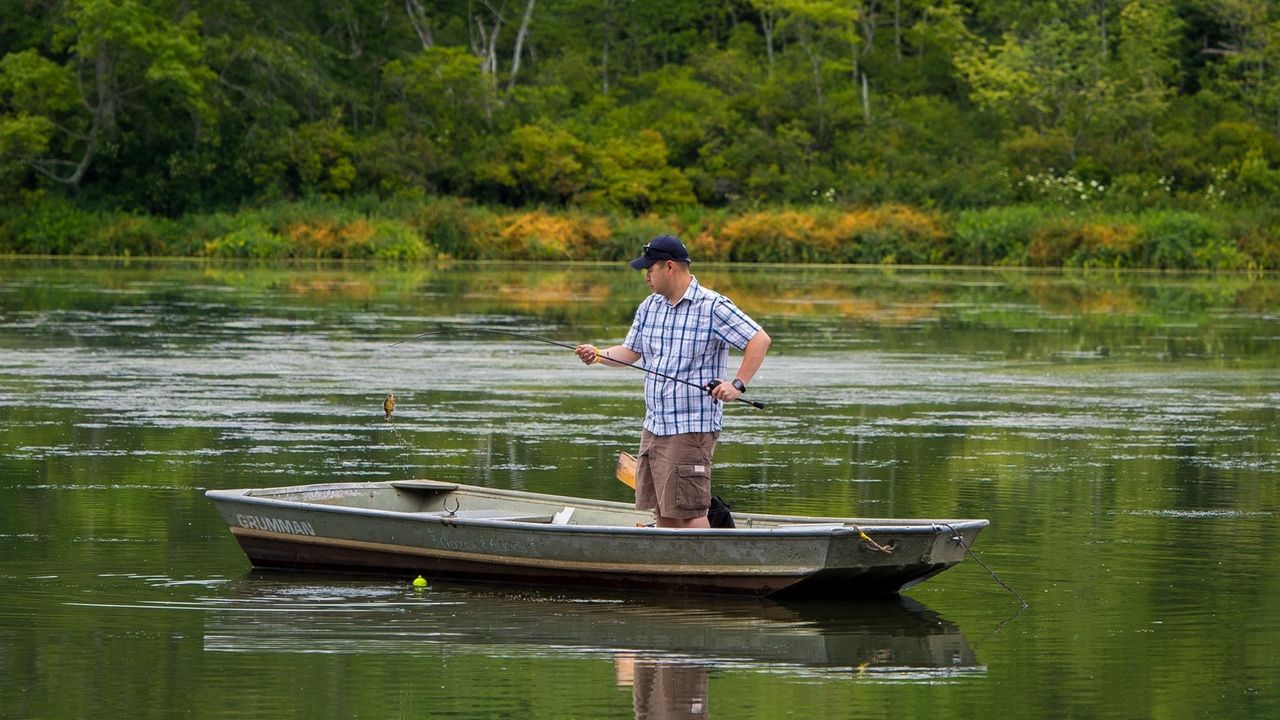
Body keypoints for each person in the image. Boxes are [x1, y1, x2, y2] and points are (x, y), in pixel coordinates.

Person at [576, 234, 771, 528]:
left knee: (691, 514)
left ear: (669, 267)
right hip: (654, 426)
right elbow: (630, 352)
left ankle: (704, 571)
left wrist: (737, 384)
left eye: (649, 270)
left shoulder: (712, 305)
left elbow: (759, 339)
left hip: (692, 428)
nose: (646, 277)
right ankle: (673, 571)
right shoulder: (650, 306)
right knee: (663, 512)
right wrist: (598, 354)